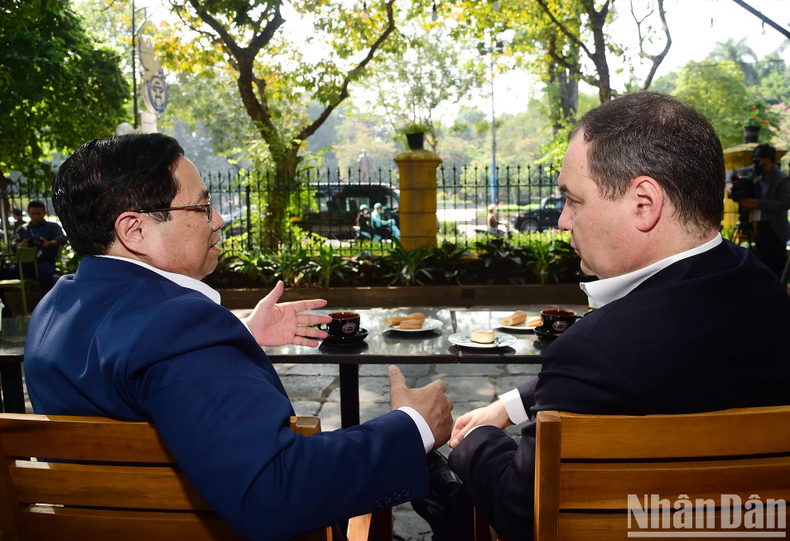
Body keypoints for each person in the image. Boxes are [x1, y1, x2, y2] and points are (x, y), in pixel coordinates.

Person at [24, 133, 454, 540]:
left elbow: (141, 371)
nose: (219, 218)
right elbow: (270, 494)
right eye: (201, 206)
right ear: (134, 230)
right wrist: (413, 428)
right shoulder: (182, 329)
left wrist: (238, 335)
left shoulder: (54, 309)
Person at [442, 92, 790, 541]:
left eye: (574, 200)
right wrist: (509, 406)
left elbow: (519, 511)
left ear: (644, 203)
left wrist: (471, 445)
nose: (563, 221)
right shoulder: (760, 283)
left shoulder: (593, 352)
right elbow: (642, 369)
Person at [726, 143, 790, 278]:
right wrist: (729, 184)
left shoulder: (782, 179)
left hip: (775, 228)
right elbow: (731, 172)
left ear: (771, 161)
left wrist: (757, 203)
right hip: (759, 225)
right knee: (761, 262)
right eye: (756, 162)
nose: (759, 166)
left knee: (775, 266)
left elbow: (785, 204)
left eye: (762, 163)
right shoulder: (755, 170)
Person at [5, 200, 67, 296]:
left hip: (45, 263)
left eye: (39, 213)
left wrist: (50, 243)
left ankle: (47, 306)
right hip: (24, 266)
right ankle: (7, 308)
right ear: (29, 213)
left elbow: (62, 238)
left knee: (45, 275)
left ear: (44, 213)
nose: (35, 216)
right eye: (33, 213)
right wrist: (20, 246)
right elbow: (13, 245)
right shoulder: (22, 229)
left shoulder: (52, 227)